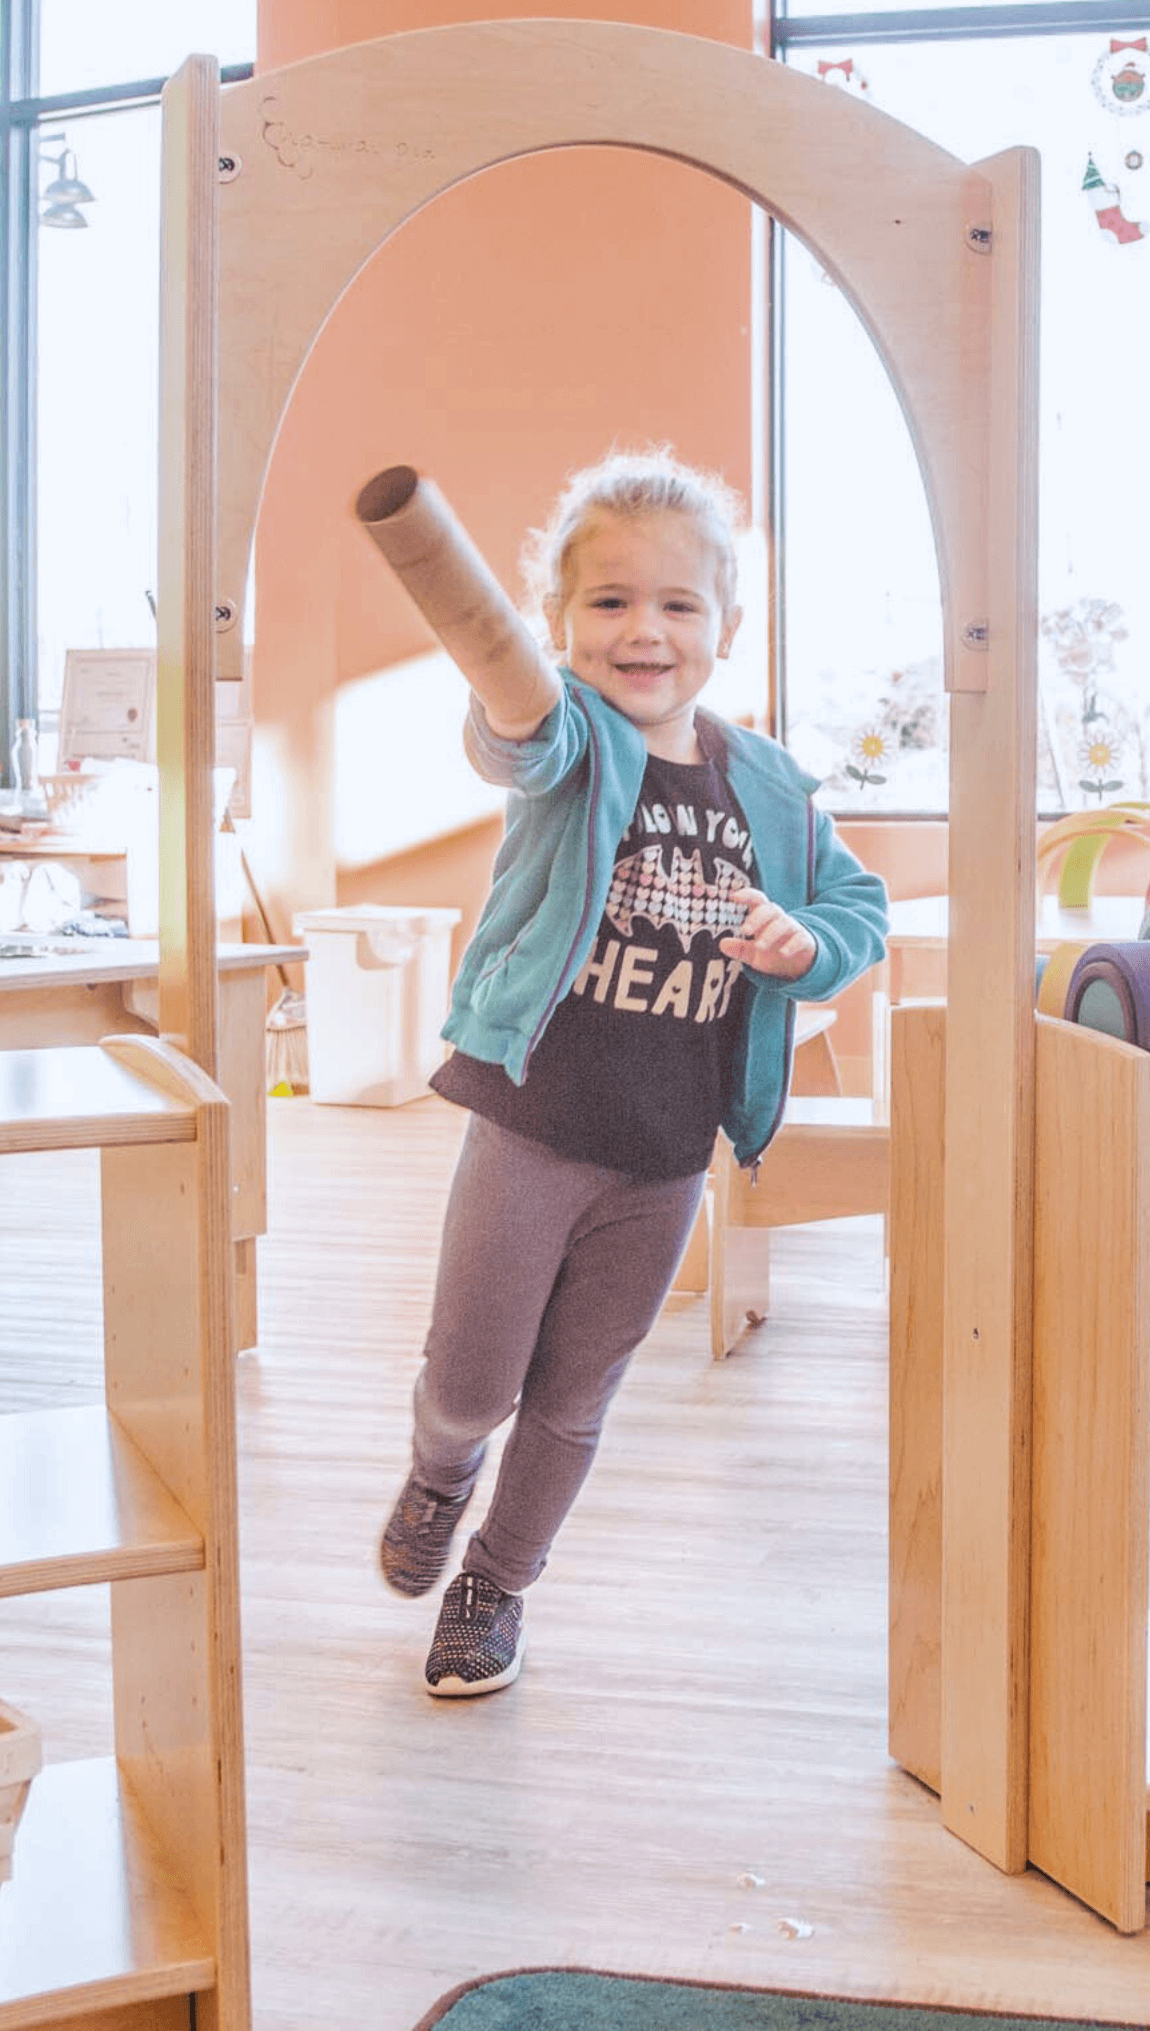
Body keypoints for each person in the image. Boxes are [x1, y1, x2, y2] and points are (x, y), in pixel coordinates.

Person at [379, 447, 888, 1696]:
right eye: (607, 602)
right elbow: (515, 733)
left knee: (575, 1394)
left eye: (676, 603)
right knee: (473, 1379)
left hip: (668, 1144)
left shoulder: (766, 781)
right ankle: (441, 1473)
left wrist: (808, 939)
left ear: (726, 626)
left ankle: (496, 1583)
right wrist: (510, 676)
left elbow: (857, 907)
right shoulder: (572, 740)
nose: (642, 629)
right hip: (534, 1118)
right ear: (559, 622)